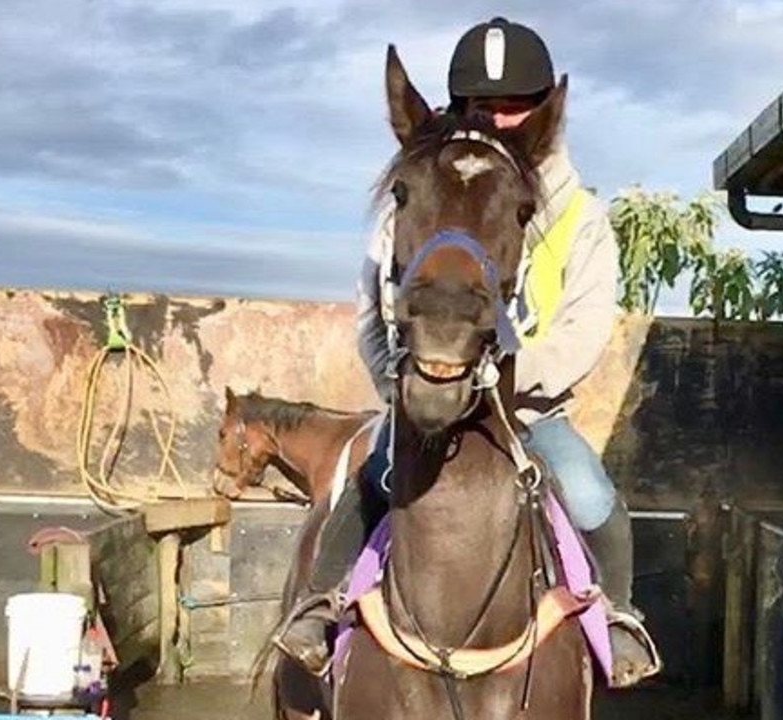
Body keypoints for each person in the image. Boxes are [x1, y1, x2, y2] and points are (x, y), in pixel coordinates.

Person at [271, 17, 661, 686]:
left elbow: (584, 329)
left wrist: (501, 374)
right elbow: (376, 307)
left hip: (530, 414)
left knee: (595, 498)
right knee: (369, 480)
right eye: (481, 106)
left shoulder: (582, 219)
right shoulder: (418, 198)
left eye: (516, 105)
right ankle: (320, 603)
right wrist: (403, 375)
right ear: (457, 109)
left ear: (545, 110)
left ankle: (619, 616)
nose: (499, 119)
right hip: (425, 389)